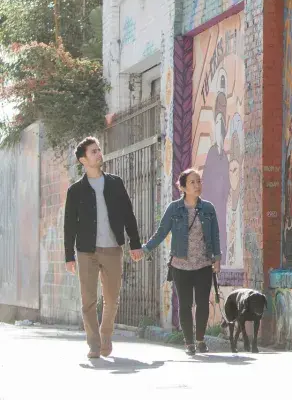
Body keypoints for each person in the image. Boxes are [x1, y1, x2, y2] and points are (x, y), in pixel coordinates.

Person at [64, 137, 143, 359]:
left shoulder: (116, 183)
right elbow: (69, 225)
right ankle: (94, 344)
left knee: (111, 298)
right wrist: (69, 256)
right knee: (88, 301)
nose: (99, 154)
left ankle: (105, 335)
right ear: (83, 159)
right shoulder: (75, 191)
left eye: (99, 150)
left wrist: (135, 244)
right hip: (86, 251)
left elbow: (128, 214)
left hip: (112, 248)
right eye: (93, 151)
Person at [141, 168, 221, 355]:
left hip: (203, 264)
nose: (197, 185)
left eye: (199, 181)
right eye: (192, 182)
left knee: (202, 303)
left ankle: (200, 340)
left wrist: (217, 259)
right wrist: (146, 248)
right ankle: (189, 343)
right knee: (185, 304)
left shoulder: (208, 208)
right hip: (180, 265)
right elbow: (162, 232)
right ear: (183, 187)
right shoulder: (174, 208)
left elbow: (215, 235)